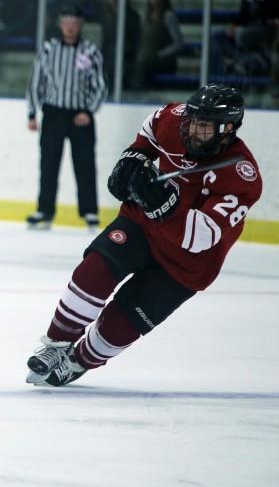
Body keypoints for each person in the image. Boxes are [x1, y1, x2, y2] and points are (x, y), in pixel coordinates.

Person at [25, 84, 262, 387]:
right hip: (142, 225)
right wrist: (134, 156)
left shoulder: (242, 176)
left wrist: (165, 208)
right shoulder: (174, 118)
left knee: (118, 327)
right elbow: (150, 131)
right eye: (192, 121)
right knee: (94, 270)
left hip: (184, 266)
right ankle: (55, 345)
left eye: (204, 126)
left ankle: (78, 361)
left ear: (227, 129)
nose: (192, 130)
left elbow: (200, 238)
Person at [26, 5, 106, 231]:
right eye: (66, 21)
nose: (70, 26)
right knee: (48, 163)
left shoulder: (90, 51)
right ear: (60, 24)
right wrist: (32, 113)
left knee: (85, 165)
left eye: (74, 22)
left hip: (80, 116)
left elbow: (100, 86)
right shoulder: (49, 49)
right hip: (53, 113)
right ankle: (45, 210)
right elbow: (36, 82)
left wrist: (88, 111)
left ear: (80, 25)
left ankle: (90, 211)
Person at [136, 0, 184, 87]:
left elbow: (179, 44)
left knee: (142, 65)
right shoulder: (144, 17)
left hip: (163, 60)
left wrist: (159, 54)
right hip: (147, 59)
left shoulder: (168, 16)